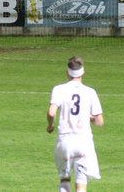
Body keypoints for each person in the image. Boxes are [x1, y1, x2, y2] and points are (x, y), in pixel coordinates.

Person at [47, 57, 104, 192]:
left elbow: (51, 113)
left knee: (64, 180)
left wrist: (50, 126)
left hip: (65, 141)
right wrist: (88, 117)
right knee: (81, 184)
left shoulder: (59, 89)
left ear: (67, 73)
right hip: (84, 142)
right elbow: (99, 121)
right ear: (83, 73)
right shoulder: (90, 92)